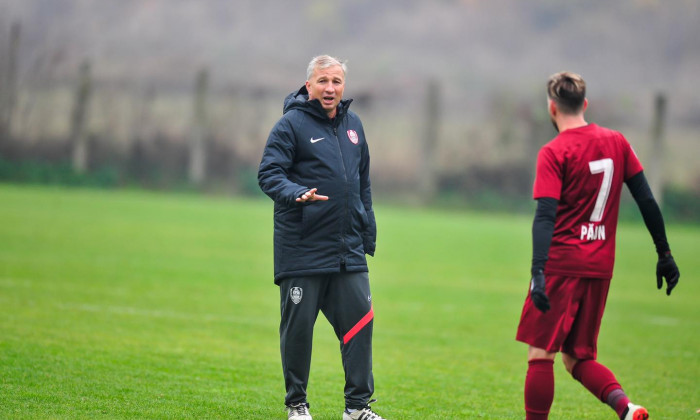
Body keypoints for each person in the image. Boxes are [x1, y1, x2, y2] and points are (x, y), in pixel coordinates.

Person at [516, 71, 680, 420]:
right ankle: (626, 407)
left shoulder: (554, 150)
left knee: (540, 354)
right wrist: (664, 253)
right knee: (578, 358)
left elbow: (545, 216)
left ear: (552, 108)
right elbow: (647, 199)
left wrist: (538, 270)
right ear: (584, 104)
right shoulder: (617, 142)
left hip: (561, 265)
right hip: (599, 266)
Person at [258, 55, 387, 420]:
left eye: (336, 81)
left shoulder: (354, 126)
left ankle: (357, 408)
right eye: (323, 81)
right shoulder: (290, 125)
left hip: (348, 250)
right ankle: (297, 405)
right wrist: (296, 192)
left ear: (343, 86)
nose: (330, 88)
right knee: (298, 331)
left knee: (361, 325)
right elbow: (268, 174)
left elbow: (363, 185)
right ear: (309, 85)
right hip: (303, 248)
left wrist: (367, 233)